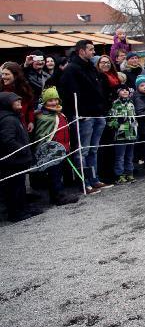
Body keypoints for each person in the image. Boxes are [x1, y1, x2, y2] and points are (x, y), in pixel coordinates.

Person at [57, 39, 110, 192]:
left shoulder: (91, 68)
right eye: (91, 49)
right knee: (83, 151)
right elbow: (71, 94)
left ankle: (94, 179)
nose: (94, 52)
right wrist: (79, 113)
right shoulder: (72, 69)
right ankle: (84, 182)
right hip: (84, 116)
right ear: (81, 51)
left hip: (97, 114)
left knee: (93, 149)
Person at [31, 87, 79, 205]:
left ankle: (58, 194)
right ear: (45, 101)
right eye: (50, 100)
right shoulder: (42, 116)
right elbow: (42, 135)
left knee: (59, 173)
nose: (54, 102)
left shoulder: (60, 113)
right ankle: (57, 197)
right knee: (54, 174)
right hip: (51, 151)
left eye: (56, 100)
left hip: (62, 148)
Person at [0, 92, 40, 221]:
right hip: (13, 161)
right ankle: (16, 213)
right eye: (15, 101)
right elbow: (8, 140)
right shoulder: (8, 119)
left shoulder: (13, 117)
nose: (19, 102)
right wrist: (23, 150)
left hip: (17, 160)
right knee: (14, 188)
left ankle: (23, 208)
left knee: (20, 186)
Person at [108, 85, 137, 184]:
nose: (125, 92)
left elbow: (134, 118)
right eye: (122, 90)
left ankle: (129, 173)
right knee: (120, 156)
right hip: (120, 134)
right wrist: (117, 123)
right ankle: (119, 175)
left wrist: (135, 129)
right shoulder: (115, 104)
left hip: (131, 133)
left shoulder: (131, 103)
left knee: (130, 155)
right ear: (118, 92)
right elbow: (110, 120)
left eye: (127, 90)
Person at [1, 62, 35, 133]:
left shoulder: (25, 89)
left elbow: (30, 107)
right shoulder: (1, 90)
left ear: (16, 75)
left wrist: (31, 121)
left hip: (22, 127)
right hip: (5, 128)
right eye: (2, 74)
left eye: (6, 74)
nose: (3, 77)